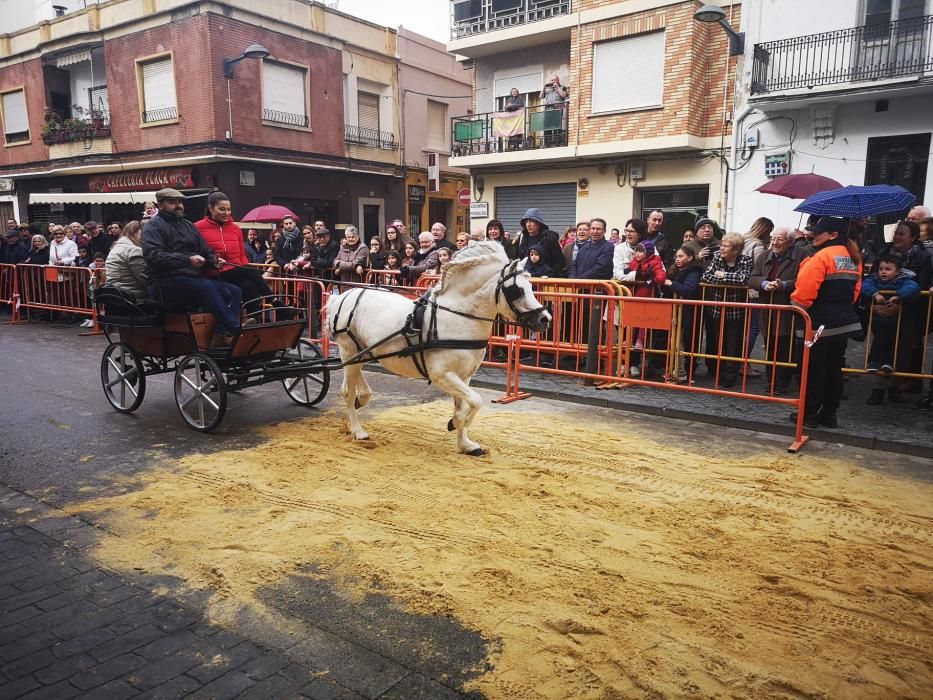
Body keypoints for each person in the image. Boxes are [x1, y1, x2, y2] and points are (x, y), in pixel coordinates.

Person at [141, 188, 242, 346]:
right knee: (205, 287)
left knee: (234, 291)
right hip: (165, 282)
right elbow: (153, 256)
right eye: (172, 202)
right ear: (160, 205)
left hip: (190, 278)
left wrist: (214, 260)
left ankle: (221, 334)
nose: (178, 205)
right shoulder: (152, 227)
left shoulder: (188, 225)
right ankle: (235, 328)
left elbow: (204, 251)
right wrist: (187, 260)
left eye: (180, 202)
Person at [790, 217, 862, 429]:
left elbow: (803, 294)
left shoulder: (821, 257)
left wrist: (796, 308)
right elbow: (855, 293)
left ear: (833, 235)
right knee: (833, 369)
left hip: (818, 323)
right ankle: (829, 414)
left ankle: (809, 415)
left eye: (819, 232)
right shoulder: (852, 258)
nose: (814, 234)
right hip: (843, 322)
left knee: (811, 370)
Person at [196, 191, 276, 321]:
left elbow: (242, 256)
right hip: (213, 272)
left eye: (229, 209)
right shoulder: (198, 227)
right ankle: (274, 300)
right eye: (222, 209)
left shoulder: (235, 228)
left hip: (235, 272)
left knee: (249, 285)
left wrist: (243, 270)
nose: (227, 213)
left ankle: (254, 322)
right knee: (252, 273)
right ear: (210, 208)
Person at [876, 220, 931, 393]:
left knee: (905, 348)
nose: (897, 236)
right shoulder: (884, 252)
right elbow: (872, 279)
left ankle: (896, 385)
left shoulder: (923, 257)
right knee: (881, 346)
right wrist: (873, 303)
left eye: (902, 233)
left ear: (913, 237)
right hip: (883, 308)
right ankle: (879, 387)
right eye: (896, 233)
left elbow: (922, 286)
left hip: (910, 311)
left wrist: (901, 305)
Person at [747, 227, 804, 394]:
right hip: (768, 308)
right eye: (772, 238)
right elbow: (752, 278)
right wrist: (765, 283)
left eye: (779, 239)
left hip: (789, 308)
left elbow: (803, 280)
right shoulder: (765, 255)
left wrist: (783, 285)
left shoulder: (802, 255)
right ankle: (772, 381)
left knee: (786, 346)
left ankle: (781, 383)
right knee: (770, 344)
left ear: (790, 241)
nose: (774, 242)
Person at [861, 252, 921, 405]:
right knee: (879, 341)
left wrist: (899, 296)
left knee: (894, 346)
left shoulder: (904, 280)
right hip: (880, 320)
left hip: (899, 320)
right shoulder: (874, 279)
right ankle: (874, 366)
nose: (883, 272)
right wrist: (874, 294)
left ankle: (892, 381)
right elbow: (865, 284)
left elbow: (913, 287)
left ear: (898, 271)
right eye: (881, 269)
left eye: (888, 269)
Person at [700, 233, 753, 388]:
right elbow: (706, 276)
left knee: (733, 345)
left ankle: (730, 376)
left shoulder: (746, 260)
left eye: (725, 246)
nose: (721, 248)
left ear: (736, 249)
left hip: (736, 312)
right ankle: (718, 373)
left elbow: (744, 279)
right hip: (716, 310)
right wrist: (730, 278)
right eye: (721, 244)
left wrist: (722, 275)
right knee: (718, 343)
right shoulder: (717, 258)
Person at [661, 245, 702, 382]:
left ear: (690, 257)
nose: (677, 259)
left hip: (687, 311)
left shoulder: (694, 271)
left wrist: (671, 284)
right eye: (676, 257)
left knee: (683, 342)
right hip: (676, 310)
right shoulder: (674, 270)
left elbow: (688, 290)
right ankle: (675, 370)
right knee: (674, 341)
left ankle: (683, 372)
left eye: (681, 256)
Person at [512, 208, 566, 276]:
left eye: (531, 221)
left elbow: (560, 262)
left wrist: (549, 274)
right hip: (525, 279)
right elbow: (519, 257)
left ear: (539, 223)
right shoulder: (522, 237)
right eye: (526, 221)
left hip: (544, 282)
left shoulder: (549, 239)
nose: (528, 224)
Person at [104, 220, 149, 301]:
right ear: (135, 233)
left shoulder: (117, 247)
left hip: (116, 297)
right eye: (145, 233)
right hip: (132, 299)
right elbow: (145, 279)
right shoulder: (134, 250)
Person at [613, 218, 646, 283]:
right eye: (627, 230)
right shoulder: (619, 248)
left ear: (640, 234)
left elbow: (658, 268)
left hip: (645, 288)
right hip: (625, 289)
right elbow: (618, 274)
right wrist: (637, 275)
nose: (628, 234)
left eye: (632, 231)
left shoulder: (648, 247)